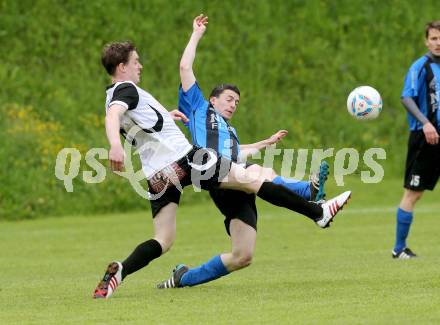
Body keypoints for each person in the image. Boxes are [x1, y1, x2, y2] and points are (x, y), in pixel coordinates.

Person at [93, 39, 351, 298]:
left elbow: (127, 116)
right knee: (252, 178)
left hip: (158, 175)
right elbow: (114, 115)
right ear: (121, 67)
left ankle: (121, 271)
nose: (140, 65)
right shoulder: (126, 89)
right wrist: (115, 145)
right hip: (183, 159)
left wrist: (163, 117)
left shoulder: (112, 95)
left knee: (163, 239)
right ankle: (317, 212)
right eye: (135, 61)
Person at [156, 15, 346, 289]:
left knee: (242, 255)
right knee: (260, 172)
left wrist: (263, 143)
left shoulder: (230, 131)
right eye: (229, 99)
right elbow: (185, 66)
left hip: (231, 176)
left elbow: (236, 153)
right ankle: (312, 200)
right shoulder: (198, 106)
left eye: (237, 102)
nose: (233, 104)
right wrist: (196, 34)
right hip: (213, 171)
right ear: (213, 99)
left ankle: (182, 278)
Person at [392, 21, 440, 259]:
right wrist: (426, 123)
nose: (438, 43)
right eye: (433, 38)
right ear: (426, 41)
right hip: (425, 139)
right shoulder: (420, 67)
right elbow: (406, 98)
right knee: (414, 193)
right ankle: (399, 248)